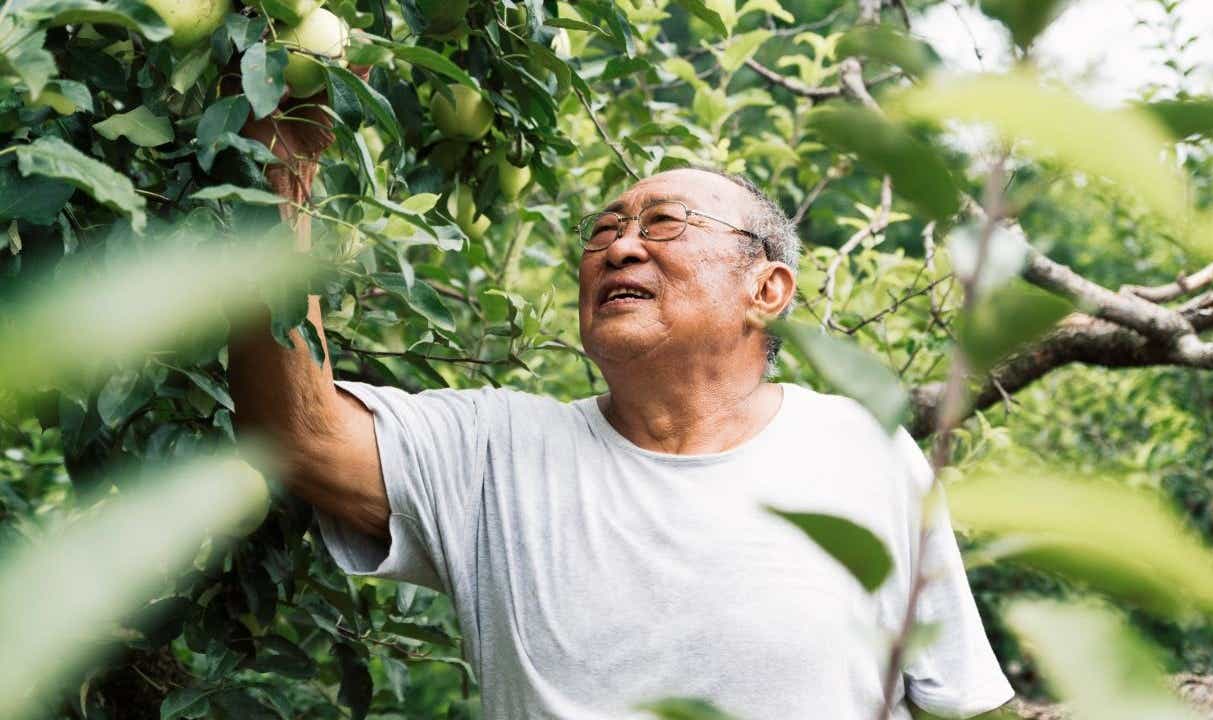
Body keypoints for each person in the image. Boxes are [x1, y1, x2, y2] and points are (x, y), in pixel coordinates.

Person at [230, 107, 1014, 719]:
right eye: (603, 231)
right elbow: (300, 433)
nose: (620, 249)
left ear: (767, 291)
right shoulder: (496, 450)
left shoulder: (858, 451)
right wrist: (281, 178)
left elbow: (962, 700)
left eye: (664, 224)